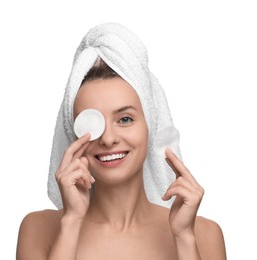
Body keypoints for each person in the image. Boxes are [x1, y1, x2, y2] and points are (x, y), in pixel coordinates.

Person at [16, 23, 227, 260]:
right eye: (92, 124)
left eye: (125, 119)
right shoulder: (39, 229)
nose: (107, 139)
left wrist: (184, 239)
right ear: (73, 134)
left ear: (150, 125)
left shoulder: (203, 234)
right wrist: (71, 222)